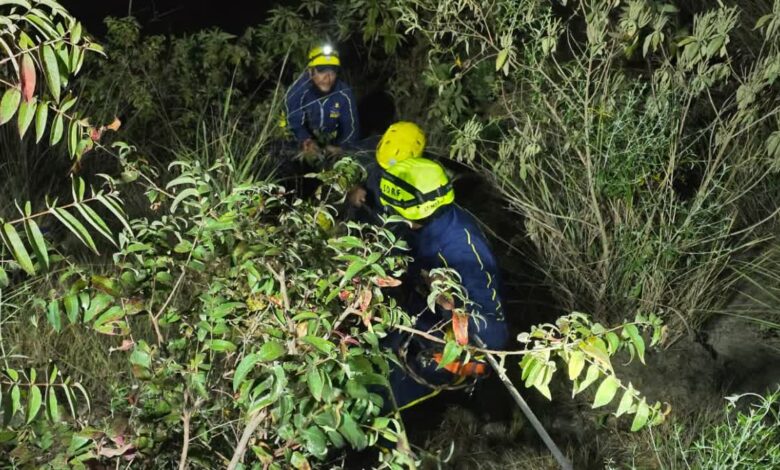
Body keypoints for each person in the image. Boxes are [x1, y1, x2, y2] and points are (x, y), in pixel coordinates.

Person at [377, 157, 509, 410]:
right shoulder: (425, 225)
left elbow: (493, 334)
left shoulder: (465, 252)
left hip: (443, 350)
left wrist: (452, 305)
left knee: (383, 394)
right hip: (416, 318)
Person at [284, 44, 360, 157]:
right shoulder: (298, 91)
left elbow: (351, 127)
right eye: (321, 71)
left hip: (332, 142)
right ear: (310, 72)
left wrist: (341, 148)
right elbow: (293, 121)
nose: (327, 78)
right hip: (304, 142)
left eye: (332, 72)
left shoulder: (344, 94)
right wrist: (305, 140)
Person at [347, 121, 426, 225]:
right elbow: (344, 164)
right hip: (366, 210)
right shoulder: (367, 150)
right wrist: (353, 189)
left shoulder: (422, 178)